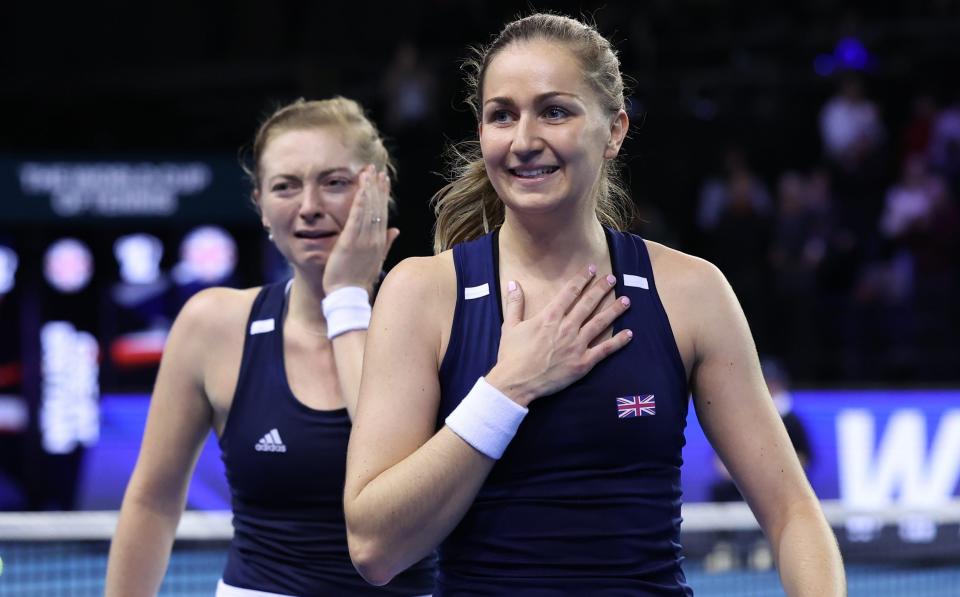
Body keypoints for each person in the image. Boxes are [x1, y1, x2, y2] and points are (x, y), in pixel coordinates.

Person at [343, 13, 845, 596]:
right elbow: (376, 549)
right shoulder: (421, 294)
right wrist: (507, 389)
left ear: (614, 131)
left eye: (555, 111)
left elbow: (794, 516)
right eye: (501, 114)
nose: (525, 140)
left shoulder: (692, 293)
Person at [105, 97, 435, 597]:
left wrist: (346, 295)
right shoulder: (212, 326)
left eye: (335, 182)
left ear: (378, 191)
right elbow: (152, 500)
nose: (309, 206)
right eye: (285, 186)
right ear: (260, 205)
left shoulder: (439, 318)